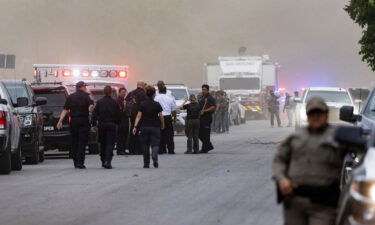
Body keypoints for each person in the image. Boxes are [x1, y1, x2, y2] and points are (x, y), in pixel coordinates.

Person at [272, 97, 362, 225]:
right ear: (307, 116)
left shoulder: (338, 137)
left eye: (319, 113)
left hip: (324, 204)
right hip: (295, 202)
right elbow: (279, 160)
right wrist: (281, 179)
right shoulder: (295, 137)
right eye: (312, 114)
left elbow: (361, 148)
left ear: (326, 115)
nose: (316, 117)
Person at [57, 81, 94, 169]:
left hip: (73, 121)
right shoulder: (86, 96)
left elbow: (65, 110)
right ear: (81, 87)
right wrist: (90, 109)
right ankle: (80, 162)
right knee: (82, 142)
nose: (85, 88)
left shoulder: (70, 97)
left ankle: (75, 161)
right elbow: (91, 106)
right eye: (84, 86)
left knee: (74, 141)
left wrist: (60, 120)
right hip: (83, 120)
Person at [133, 86, 165, 168]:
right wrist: (162, 124)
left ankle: (146, 163)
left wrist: (135, 126)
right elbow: (161, 116)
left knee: (145, 145)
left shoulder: (142, 104)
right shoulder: (157, 104)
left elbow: (138, 116)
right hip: (155, 126)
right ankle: (154, 154)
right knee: (155, 144)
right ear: (154, 95)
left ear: (147, 95)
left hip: (144, 127)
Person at [91, 86, 120, 169]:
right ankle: (108, 160)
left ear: (104, 92)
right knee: (110, 143)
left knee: (102, 143)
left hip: (102, 125)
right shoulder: (115, 103)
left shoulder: (99, 102)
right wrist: (117, 123)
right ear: (111, 92)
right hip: (111, 124)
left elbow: (94, 114)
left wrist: (93, 124)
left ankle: (103, 160)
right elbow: (118, 115)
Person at [126, 81, 147, 155]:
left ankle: (131, 149)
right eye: (144, 85)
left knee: (133, 129)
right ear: (142, 85)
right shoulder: (143, 93)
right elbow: (145, 105)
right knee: (140, 131)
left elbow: (126, 101)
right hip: (140, 115)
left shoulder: (131, 93)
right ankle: (139, 149)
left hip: (132, 114)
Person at [155, 86, 177, 154]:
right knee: (169, 134)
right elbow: (173, 110)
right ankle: (171, 150)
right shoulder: (170, 98)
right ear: (165, 91)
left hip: (158, 117)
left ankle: (161, 150)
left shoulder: (155, 98)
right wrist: (174, 118)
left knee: (160, 134)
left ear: (158, 91)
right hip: (167, 117)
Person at [198, 84, 216, 153]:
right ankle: (208, 146)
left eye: (205, 90)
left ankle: (205, 148)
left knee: (205, 134)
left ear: (208, 90)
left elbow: (213, 107)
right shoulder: (202, 97)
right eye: (202, 89)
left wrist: (204, 111)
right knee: (199, 133)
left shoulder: (210, 98)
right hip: (201, 118)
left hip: (207, 118)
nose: (203, 91)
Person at [117, 87, 130, 155]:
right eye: (122, 92)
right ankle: (120, 150)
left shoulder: (124, 100)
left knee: (125, 135)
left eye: (124, 92)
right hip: (120, 121)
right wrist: (125, 106)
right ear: (119, 93)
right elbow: (120, 111)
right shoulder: (118, 100)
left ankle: (123, 149)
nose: (124, 94)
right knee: (121, 136)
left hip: (125, 120)